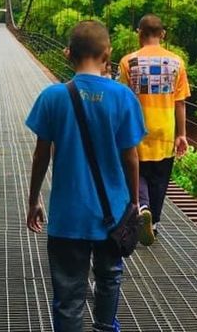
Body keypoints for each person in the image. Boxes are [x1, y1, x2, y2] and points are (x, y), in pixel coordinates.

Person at [25, 20, 146, 332]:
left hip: (67, 216)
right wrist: (133, 204)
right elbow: (131, 158)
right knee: (109, 278)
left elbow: (41, 156)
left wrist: (33, 200)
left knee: (68, 295)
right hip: (113, 214)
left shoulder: (52, 97)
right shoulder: (123, 97)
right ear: (107, 53)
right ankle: (105, 327)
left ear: (68, 54)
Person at [118, 14, 191, 246]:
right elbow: (180, 103)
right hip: (165, 130)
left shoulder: (128, 61)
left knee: (137, 174)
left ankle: (143, 208)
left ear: (139, 33)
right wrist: (182, 134)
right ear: (163, 34)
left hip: (136, 129)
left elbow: (123, 100)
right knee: (160, 178)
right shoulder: (177, 62)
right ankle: (155, 223)